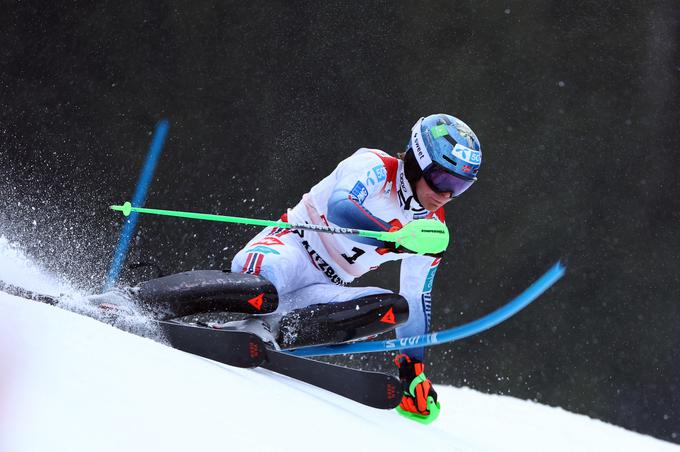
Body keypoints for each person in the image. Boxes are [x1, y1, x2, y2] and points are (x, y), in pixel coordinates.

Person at [231, 113, 482, 423]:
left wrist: (412, 370)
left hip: (326, 285)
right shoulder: (375, 166)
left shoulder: (432, 232)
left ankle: (280, 332)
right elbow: (341, 207)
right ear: (418, 161)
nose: (446, 195)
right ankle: (213, 306)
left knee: (393, 308)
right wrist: (391, 236)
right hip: (290, 248)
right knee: (264, 286)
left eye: (460, 186)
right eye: (443, 180)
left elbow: (417, 297)